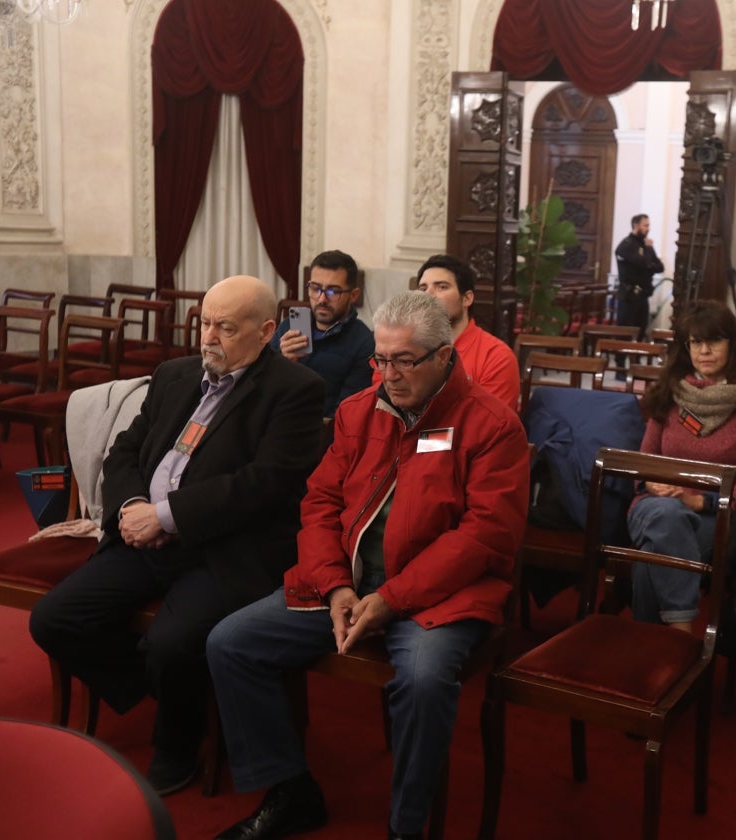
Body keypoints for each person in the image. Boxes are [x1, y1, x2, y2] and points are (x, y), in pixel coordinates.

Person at [207, 290, 529, 840]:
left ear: (445, 357)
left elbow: (483, 537)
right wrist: (334, 588)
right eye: (380, 359)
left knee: (425, 681)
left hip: (441, 596)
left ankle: (406, 827)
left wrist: (392, 599)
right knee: (231, 642)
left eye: (405, 360)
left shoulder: (492, 425)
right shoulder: (360, 410)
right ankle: (291, 790)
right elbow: (320, 504)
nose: (389, 374)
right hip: (350, 586)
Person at [29, 275, 326, 795]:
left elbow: (266, 484)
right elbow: (123, 451)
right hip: (144, 534)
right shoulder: (175, 374)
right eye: (205, 323)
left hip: (225, 549)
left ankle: (178, 740)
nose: (209, 336)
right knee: (54, 620)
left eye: (226, 328)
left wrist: (169, 517)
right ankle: (174, 693)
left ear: (266, 331)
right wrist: (133, 506)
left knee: (171, 644)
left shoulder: (295, 390)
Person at [627, 300, 736, 632]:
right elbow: (644, 463)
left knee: (653, 550)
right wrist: (652, 483)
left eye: (714, 341)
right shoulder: (668, 393)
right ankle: (682, 632)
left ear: (732, 345)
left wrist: (700, 501)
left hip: (713, 514)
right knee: (667, 515)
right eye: (695, 342)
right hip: (654, 503)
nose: (704, 351)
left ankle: (646, 648)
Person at [371, 254, 519, 410]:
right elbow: (382, 407)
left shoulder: (496, 357)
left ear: (467, 299)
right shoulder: (395, 349)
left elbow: (488, 424)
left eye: (442, 287)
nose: (429, 295)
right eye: (423, 288)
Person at [272, 249, 375, 416]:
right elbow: (262, 385)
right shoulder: (288, 327)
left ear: (353, 295)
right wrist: (282, 363)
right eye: (315, 288)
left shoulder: (363, 342)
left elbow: (346, 413)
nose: (321, 299)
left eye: (333, 291)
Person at [614, 213, 665, 338]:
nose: (648, 228)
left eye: (649, 225)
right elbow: (643, 263)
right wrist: (648, 261)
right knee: (625, 333)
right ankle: (620, 358)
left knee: (641, 330)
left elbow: (659, 267)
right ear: (636, 226)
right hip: (629, 295)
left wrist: (648, 257)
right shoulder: (626, 245)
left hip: (643, 295)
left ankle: (635, 358)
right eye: (645, 225)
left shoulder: (645, 246)